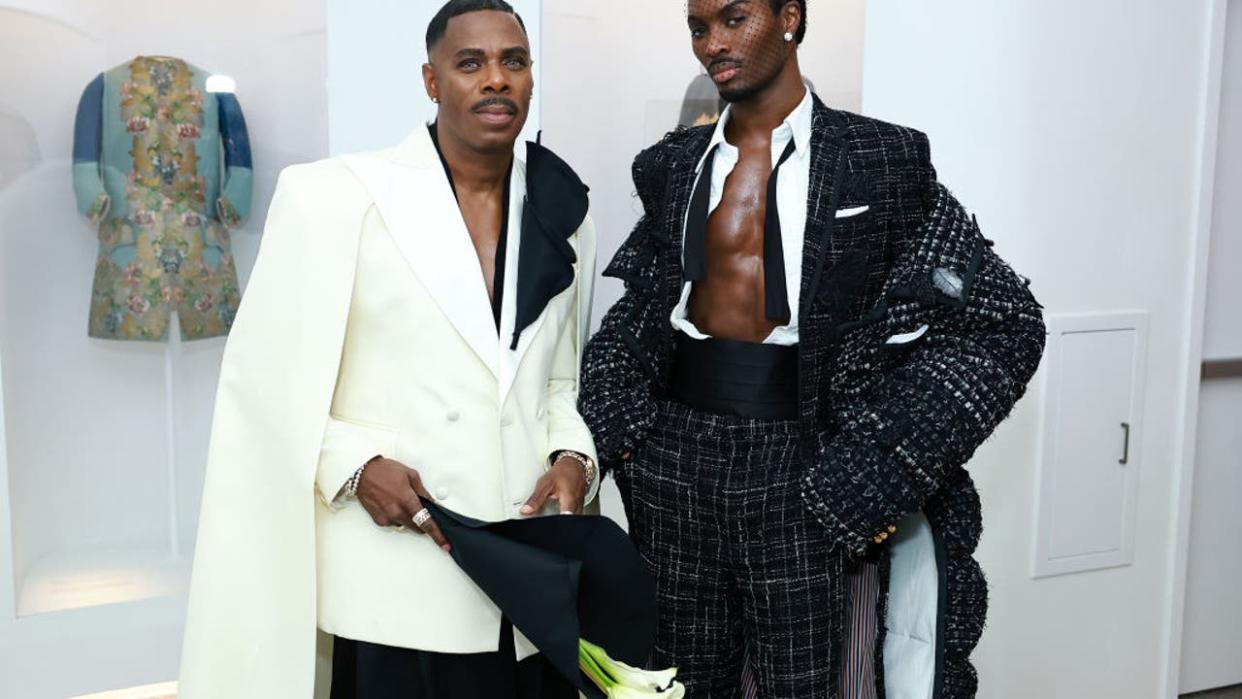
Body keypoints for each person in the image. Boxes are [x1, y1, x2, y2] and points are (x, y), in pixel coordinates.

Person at [580, 1, 1046, 697]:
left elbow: (1005, 320)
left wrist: (876, 467)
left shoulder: (880, 159)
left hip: (801, 464)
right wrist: (624, 438)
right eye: (699, 27)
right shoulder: (671, 165)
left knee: (803, 683)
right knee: (676, 681)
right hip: (673, 462)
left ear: (791, 16)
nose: (714, 42)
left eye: (735, 18)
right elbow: (642, 312)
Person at [179, 1, 598, 697]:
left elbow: (558, 381)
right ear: (431, 82)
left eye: (513, 62)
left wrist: (572, 457)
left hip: (525, 580)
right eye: (471, 63)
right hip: (399, 579)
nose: (496, 79)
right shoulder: (337, 198)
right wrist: (353, 464)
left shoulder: (562, 214)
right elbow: (265, 390)